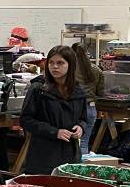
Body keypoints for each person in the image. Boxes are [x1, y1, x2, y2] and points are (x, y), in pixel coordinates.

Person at [20, 45, 87, 175]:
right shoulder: (38, 89)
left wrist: (81, 128)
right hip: (44, 156)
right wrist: (54, 132)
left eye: (60, 63)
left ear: (70, 65)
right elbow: (26, 120)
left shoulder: (78, 92)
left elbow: (83, 118)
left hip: (70, 155)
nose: (54, 67)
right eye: (51, 62)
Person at [72, 43, 104, 154]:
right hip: (91, 108)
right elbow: (100, 92)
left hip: (74, 108)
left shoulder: (70, 69)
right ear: (87, 54)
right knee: (84, 143)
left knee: (70, 144)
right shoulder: (97, 70)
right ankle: (82, 169)